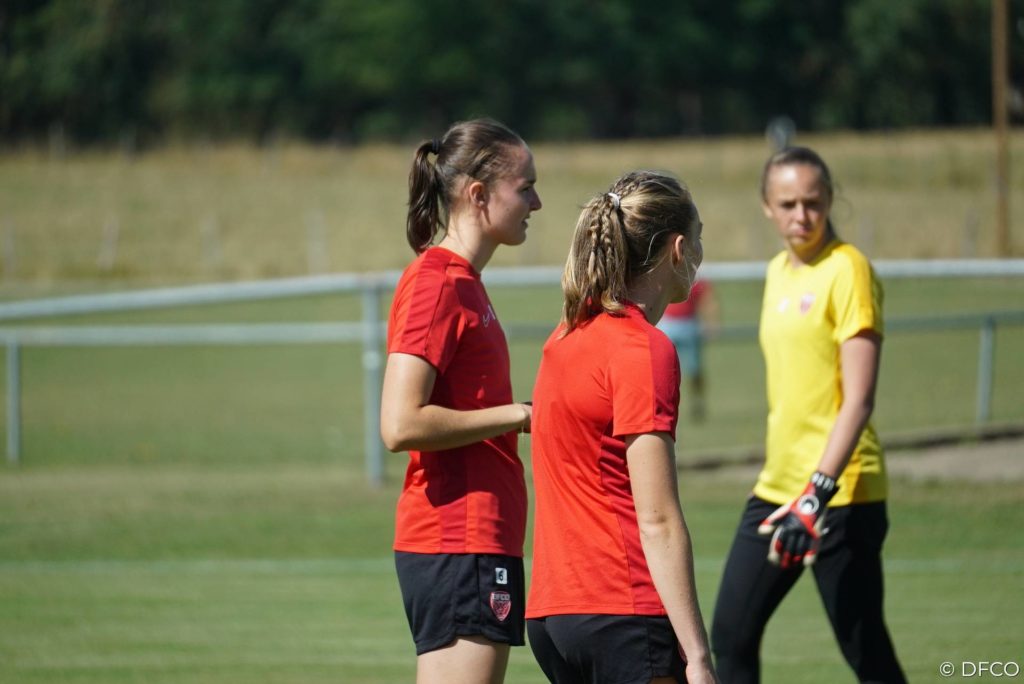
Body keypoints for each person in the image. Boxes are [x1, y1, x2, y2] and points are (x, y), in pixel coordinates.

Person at [710, 147, 906, 683]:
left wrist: (817, 493)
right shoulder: (777, 271)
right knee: (730, 636)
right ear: (766, 207)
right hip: (777, 487)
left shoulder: (848, 270)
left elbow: (859, 400)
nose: (801, 215)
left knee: (865, 651)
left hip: (840, 493)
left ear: (830, 200)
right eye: (788, 204)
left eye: (813, 202)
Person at [526, 170, 718, 684]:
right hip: (622, 611)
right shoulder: (643, 350)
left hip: (552, 615)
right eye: (698, 240)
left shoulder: (564, 336)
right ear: (678, 249)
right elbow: (657, 520)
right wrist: (697, 655)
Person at [379, 118, 542, 684]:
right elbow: (400, 423)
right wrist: (518, 416)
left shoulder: (466, 281)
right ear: (478, 194)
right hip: (457, 538)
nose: (536, 203)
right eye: (525, 188)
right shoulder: (437, 282)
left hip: (480, 538)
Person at [658, 278, 720, 422]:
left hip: (689, 325)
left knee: (694, 370)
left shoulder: (694, 277)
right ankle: (663, 405)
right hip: (667, 324)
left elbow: (708, 299)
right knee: (662, 371)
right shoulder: (666, 273)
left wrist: (712, 323)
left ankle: (697, 402)